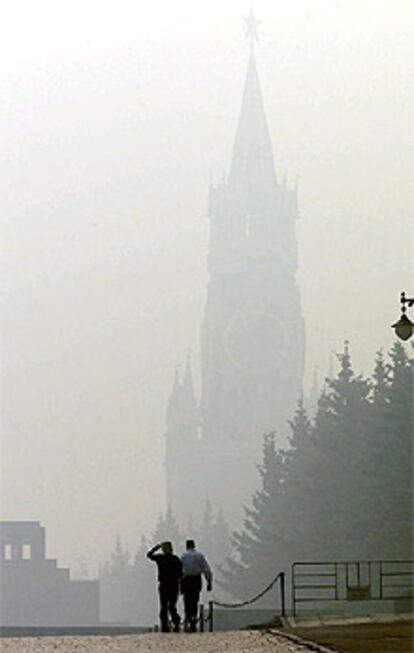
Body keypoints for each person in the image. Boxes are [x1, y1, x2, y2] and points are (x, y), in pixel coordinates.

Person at [147, 541, 182, 632]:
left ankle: (165, 625)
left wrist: (156, 548)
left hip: (164, 584)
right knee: (172, 606)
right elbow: (181, 573)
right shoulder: (175, 559)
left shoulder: (160, 558)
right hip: (174, 584)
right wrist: (181, 585)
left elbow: (149, 555)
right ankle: (176, 622)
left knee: (164, 606)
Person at [180, 539, 213, 632]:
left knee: (187, 600)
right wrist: (209, 582)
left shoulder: (183, 556)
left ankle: (188, 617)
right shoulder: (199, 556)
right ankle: (193, 618)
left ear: (186, 546)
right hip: (196, 579)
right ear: (194, 545)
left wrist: (179, 583)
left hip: (186, 579)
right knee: (195, 599)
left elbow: (179, 570)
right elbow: (206, 569)